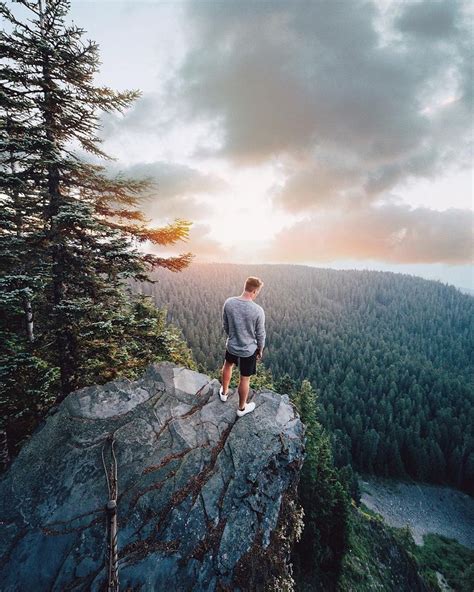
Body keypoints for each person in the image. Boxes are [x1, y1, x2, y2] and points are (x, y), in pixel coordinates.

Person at [220, 276, 266, 417]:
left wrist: (233, 336)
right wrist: (260, 349)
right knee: (245, 378)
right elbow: (261, 334)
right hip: (248, 350)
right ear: (255, 291)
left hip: (232, 345)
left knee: (228, 365)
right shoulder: (258, 310)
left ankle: (224, 392)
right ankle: (241, 409)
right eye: (258, 291)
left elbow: (225, 325)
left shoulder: (229, 303)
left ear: (245, 286)